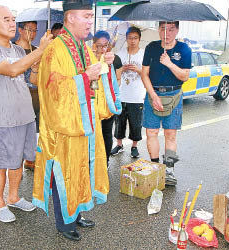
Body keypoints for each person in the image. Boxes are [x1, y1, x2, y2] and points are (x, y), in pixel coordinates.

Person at [33, 0, 121, 241]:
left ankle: (78, 210)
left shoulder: (85, 48)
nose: (90, 21)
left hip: (86, 124)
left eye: (90, 16)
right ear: (70, 18)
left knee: (83, 169)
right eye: (86, 16)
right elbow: (52, 90)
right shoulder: (54, 49)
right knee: (66, 171)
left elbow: (95, 80)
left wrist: (105, 66)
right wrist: (83, 78)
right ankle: (64, 222)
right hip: (65, 127)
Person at [0, 5, 52, 223]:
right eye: (6, 19)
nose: (12, 23)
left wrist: (36, 64)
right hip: (3, 117)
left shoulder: (18, 50)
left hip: (25, 115)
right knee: (1, 161)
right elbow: (11, 70)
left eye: (13, 19)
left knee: (18, 159)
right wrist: (39, 51)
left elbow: (32, 80)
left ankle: (14, 196)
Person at [141, 21, 192, 186]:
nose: (166, 33)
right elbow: (144, 74)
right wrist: (153, 95)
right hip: (153, 93)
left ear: (177, 30)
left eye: (171, 29)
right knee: (151, 133)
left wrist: (169, 63)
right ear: (158, 30)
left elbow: (185, 76)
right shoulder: (151, 47)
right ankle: (155, 167)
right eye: (163, 28)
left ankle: (169, 170)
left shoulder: (184, 49)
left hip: (174, 94)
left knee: (170, 134)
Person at [110, 26, 146, 159]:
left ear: (139, 39)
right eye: (130, 38)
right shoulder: (119, 53)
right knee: (119, 122)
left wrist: (138, 70)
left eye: (135, 38)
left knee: (135, 123)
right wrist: (122, 69)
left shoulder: (143, 54)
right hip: (121, 94)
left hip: (136, 96)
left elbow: (147, 74)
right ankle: (119, 144)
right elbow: (114, 73)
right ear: (126, 39)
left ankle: (134, 146)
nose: (132, 41)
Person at [92, 30, 123, 164]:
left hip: (107, 104)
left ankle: (105, 161)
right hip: (92, 105)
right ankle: (92, 163)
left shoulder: (113, 59)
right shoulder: (88, 59)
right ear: (93, 45)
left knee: (106, 134)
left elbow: (117, 81)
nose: (101, 49)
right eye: (98, 45)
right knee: (92, 136)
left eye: (105, 45)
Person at [14, 21, 42, 171]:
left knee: (34, 130)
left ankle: (30, 158)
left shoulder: (37, 50)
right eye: (29, 30)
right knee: (19, 133)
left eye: (35, 30)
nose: (32, 33)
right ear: (20, 30)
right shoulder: (12, 49)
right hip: (17, 98)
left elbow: (38, 79)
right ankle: (18, 162)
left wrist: (36, 69)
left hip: (35, 96)